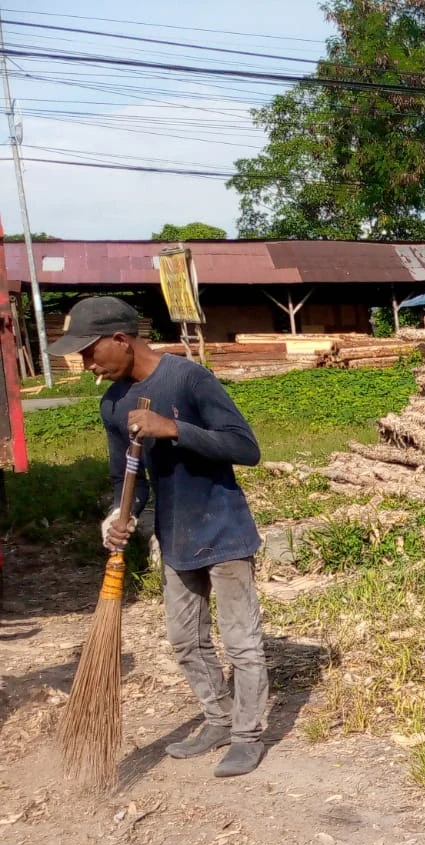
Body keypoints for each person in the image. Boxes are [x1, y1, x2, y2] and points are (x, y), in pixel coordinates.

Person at [47, 296, 270, 777]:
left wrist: (173, 428)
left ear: (121, 340)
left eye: (89, 352)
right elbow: (126, 478)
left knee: (241, 643)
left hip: (223, 529)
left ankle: (248, 735)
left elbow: (244, 447)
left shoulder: (190, 379)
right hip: (176, 536)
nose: (86, 365)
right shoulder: (113, 404)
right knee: (185, 639)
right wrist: (119, 514)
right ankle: (218, 719)